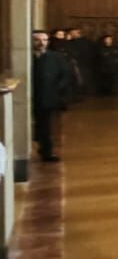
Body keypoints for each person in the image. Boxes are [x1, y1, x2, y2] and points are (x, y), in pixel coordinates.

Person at [31, 31, 73, 162]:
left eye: (44, 40)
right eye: (37, 40)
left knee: (45, 125)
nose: (41, 43)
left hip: (47, 96)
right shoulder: (27, 57)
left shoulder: (56, 57)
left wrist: (57, 89)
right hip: (30, 95)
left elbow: (65, 74)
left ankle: (46, 151)